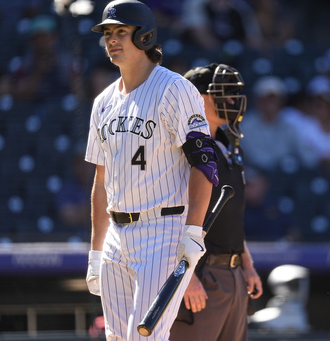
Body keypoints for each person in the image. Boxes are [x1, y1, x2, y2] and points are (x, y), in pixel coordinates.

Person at [84, 1, 218, 340]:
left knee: (145, 338)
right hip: (116, 234)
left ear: (144, 37)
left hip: (163, 231)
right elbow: (101, 182)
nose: (111, 40)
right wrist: (96, 250)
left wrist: (194, 230)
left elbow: (204, 161)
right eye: (108, 33)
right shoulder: (103, 102)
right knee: (116, 338)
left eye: (121, 32)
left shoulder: (175, 89)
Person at [170, 63, 263, 341]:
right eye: (223, 94)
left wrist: (246, 265)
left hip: (232, 274)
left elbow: (229, 215)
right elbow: (170, 217)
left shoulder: (228, 146)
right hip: (201, 273)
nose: (233, 102)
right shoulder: (178, 150)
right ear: (197, 97)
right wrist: (183, 278)